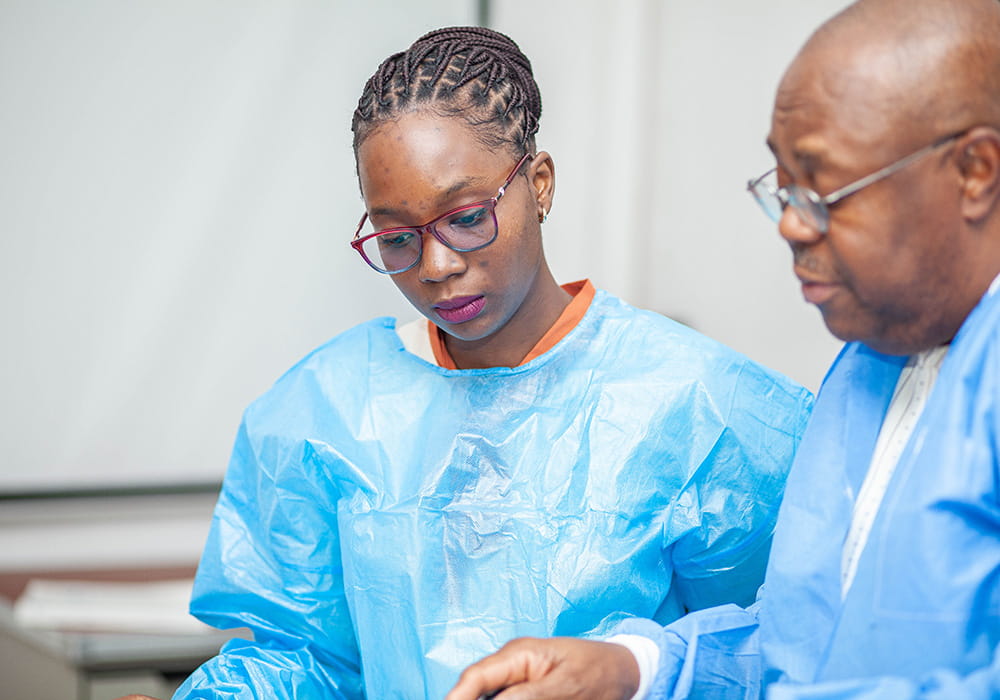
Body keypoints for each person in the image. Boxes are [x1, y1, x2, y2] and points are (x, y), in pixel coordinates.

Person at [168, 26, 812, 700]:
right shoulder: (327, 410)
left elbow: (773, 651)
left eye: (468, 217)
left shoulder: (700, 404)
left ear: (539, 185)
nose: (437, 266)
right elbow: (307, 661)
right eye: (396, 238)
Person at [444, 0, 1000, 698]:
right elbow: (807, 645)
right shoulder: (871, 367)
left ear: (976, 171)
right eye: (784, 187)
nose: (792, 226)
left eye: (826, 192)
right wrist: (634, 669)